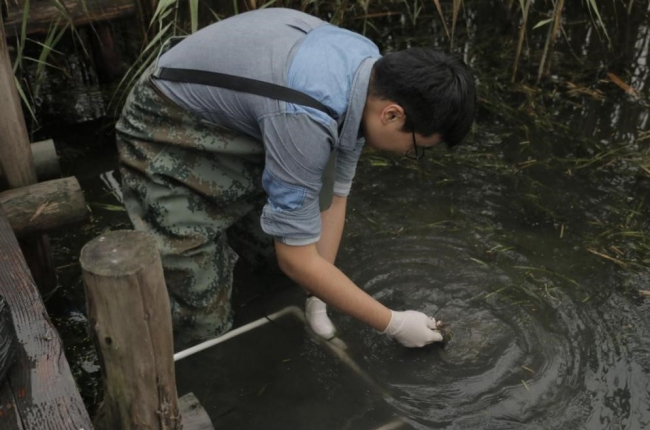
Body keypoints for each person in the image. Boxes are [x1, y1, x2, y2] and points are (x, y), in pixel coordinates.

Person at [115, 7, 476, 349]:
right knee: (203, 321)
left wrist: (317, 297)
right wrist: (392, 323)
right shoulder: (307, 118)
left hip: (248, 125)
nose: (410, 156)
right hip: (166, 126)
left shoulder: (369, 72)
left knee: (278, 264)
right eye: (416, 147)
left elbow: (334, 194)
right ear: (393, 115)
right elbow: (297, 259)